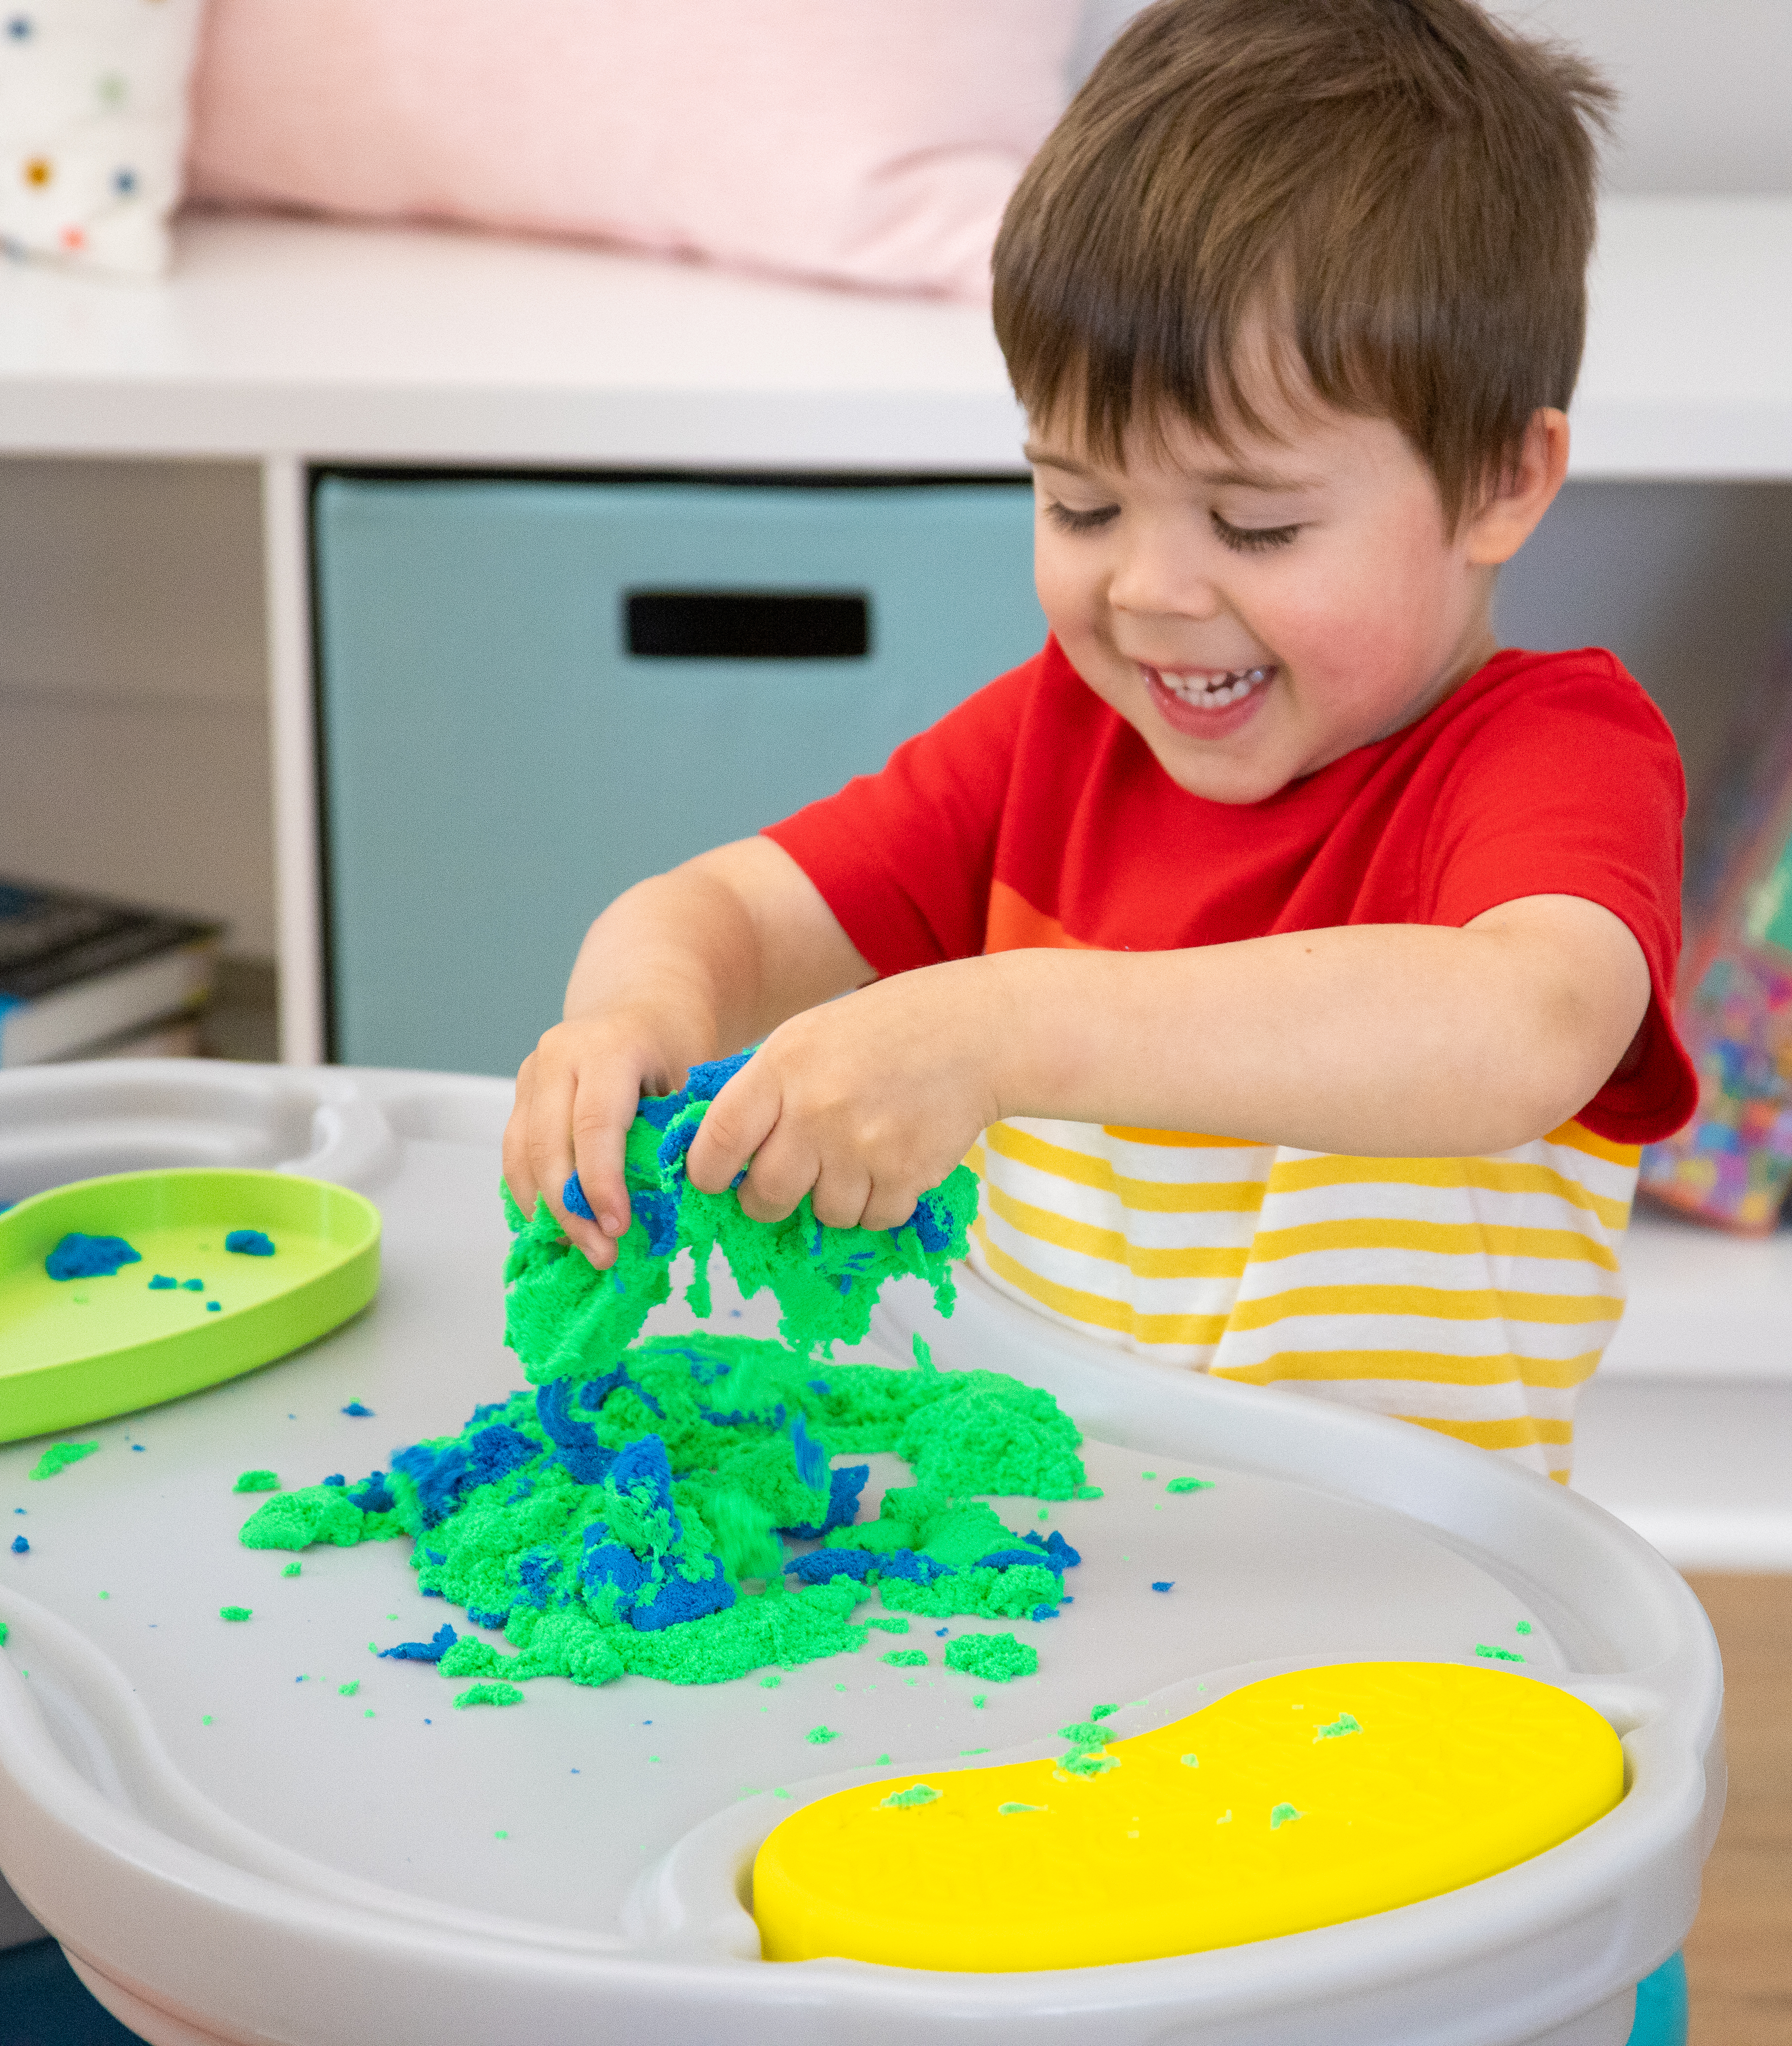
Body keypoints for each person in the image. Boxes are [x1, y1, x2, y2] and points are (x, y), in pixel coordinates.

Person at [504, 0, 1697, 1484]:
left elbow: (1520, 1031)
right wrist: (632, 1020)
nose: (1149, 591)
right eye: (1080, 505)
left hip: (1409, 1629)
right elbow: (728, 909)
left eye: (1255, 523)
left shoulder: (1552, 757)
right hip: (1060, 1579)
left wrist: (994, 1031)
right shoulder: (1058, 745)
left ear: (1503, 483)